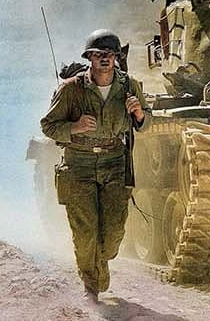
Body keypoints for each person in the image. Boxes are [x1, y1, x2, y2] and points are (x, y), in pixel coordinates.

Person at [41, 29, 149, 301]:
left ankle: (100, 264)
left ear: (116, 58)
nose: (105, 60)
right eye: (99, 55)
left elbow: (146, 123)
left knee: (113, 234)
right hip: (79, 165)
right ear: (89, 57)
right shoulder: (71, 89)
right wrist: (74, 127)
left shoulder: (129, 86)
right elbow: (48, 126)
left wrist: (139, 114)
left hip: (114, 163)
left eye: (110, 55)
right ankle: (91, 285)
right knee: (85, 232)